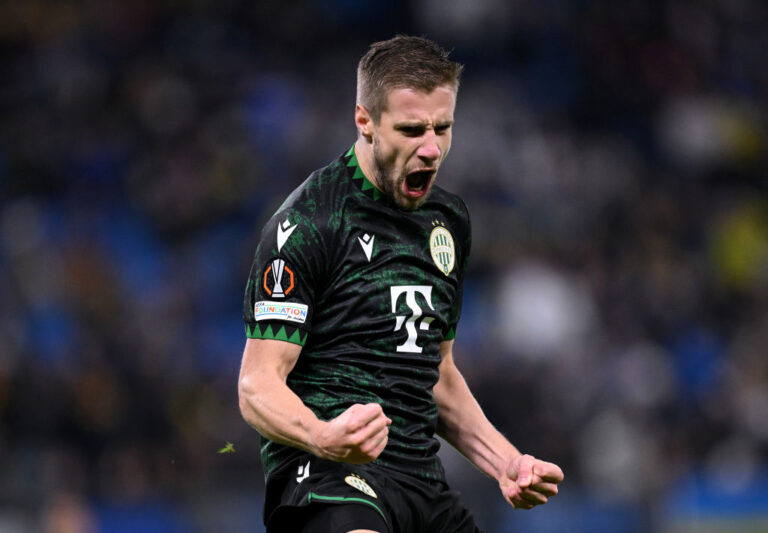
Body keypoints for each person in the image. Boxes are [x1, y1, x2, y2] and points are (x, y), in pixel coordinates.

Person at [238, 35, 564, 533]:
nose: (431, 149)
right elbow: (257, 385)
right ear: (364, 121)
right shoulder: (310, 222)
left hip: (421, 480)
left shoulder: (448, 222)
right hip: (328, 477)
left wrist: (506, 463)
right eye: (411, 130)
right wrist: (323, 436)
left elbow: (438, 373)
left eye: (443, 128)